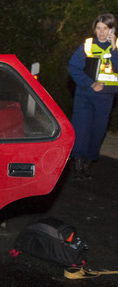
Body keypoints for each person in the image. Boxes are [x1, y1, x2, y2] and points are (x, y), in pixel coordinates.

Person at [68, 13, 118, 178]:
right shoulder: (87, 46)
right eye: (99, 28)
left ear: (112, 30)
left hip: (106, 98)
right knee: (81, 127)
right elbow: (74, 68)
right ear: (94, 29)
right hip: (85, 94)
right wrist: (90, 84)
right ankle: (78, 162)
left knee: (98, 131)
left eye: (106, 28)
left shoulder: (117, 47)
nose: (102, 32)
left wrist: (114, 49)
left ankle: (89, 159)